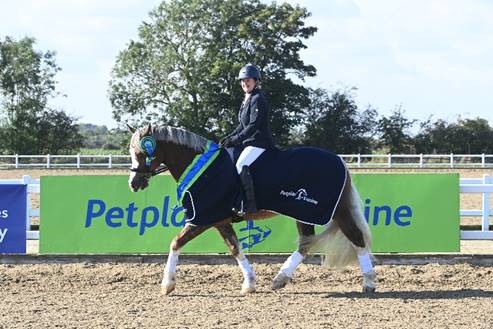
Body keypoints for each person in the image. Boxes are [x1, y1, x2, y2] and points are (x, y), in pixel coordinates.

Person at [219, 64, 275, 214]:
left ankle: (250, 204)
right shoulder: (247, 98)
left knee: (241, 164)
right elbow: (241, 125)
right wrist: (229, 138)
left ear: (256, 81)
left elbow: (253, 125)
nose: (245, 83)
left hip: (259, 142)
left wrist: (236, 139)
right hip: (249, 142)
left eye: (248, 80)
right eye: (243, 80)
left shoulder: (258, 98)